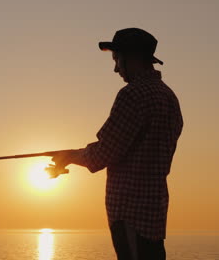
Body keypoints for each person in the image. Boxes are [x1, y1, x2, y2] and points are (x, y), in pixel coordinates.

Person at [49, 28, 183, 260]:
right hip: (154, 214)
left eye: (116, 59)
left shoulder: (133, 95)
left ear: (131, 58)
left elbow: (103, 154)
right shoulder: (169, 97)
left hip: (130, 215)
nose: (115, 68)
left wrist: (68, 155)